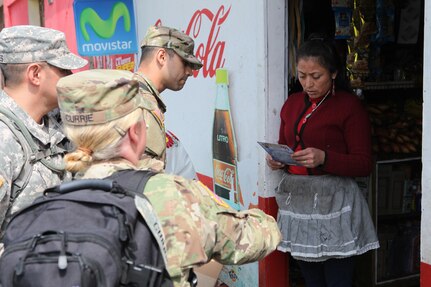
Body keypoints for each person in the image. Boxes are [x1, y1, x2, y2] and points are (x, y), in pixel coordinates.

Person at [56, 69, 281, 287]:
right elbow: (253, 238)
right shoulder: (168, 194)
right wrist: (266, 221)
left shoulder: (52, 197)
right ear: (136, 132)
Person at [266, 34, 379, 287]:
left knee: (338, 281)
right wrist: (280, 160)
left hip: (335, 205)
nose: (308, 83)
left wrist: (324, 158)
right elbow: (288, 145)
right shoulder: (292, 103)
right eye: (302, 76)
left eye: (316, 76)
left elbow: (363, 164)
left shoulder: (349, 107)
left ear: (334, 73)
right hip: (301, 204)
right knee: (312, 281)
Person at [0, 25, 88, 240]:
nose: (70, 77)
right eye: (63, 70)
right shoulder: (5, 139)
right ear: (35, 74)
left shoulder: (58, 123)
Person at [134, 25, 202, 177]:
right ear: (162, 57)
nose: (190, 72)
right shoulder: (141, 102)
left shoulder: (133, 92)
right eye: (185, 62)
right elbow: (144, 179)